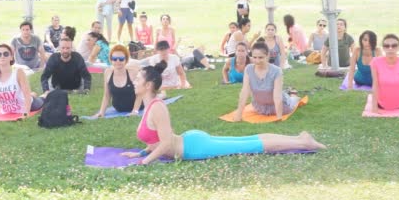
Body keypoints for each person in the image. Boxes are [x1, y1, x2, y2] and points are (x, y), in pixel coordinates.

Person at [119, 61, 325, 164]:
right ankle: (299, 139)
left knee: (251, 143)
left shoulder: (157, 107)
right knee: (248, 140)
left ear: (147, 85)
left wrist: (144, 162)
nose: (134, 81)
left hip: (194, 147)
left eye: (138, 79)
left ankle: (303, 142)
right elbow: (155, 140)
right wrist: (141, 153)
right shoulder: (149, 106)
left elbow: (165, 143)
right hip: (191, 141)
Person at [234, 42, 299, 121]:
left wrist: (279, 117)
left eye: (260, 57)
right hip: (260, 107)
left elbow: (277, 96)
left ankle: (293, 95)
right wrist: (238, 114)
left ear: (267, 56)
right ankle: (289, 92)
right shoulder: (248, 69)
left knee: (293, 100)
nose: (257, 61)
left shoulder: (276, 71)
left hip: (280, 105)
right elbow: (244, 92)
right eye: (254, 57)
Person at [0, 44, 44, 117]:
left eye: (6, 54)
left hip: (31, 105)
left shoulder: (18, 72)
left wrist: (25, 114)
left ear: (11, 57)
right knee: (27, 95)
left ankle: (44, 95)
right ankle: (33, 94)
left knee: (43, 99)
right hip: (9, 109)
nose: (2, 56)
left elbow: (26, 96)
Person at [92, 45, 143, 118]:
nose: (118, 61)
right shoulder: (108, 72)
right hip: (118, 109)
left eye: (121, 59)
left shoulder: (133, 73)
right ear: (111, 60)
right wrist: (101, 112)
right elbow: (107, 95)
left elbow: (140, 95)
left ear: (126, 60)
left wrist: (135, 111)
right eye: (114, 59)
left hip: (136, 107)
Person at [370, 34, 399, 112]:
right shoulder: (375, 62)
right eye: (386, 46)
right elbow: (375, 85)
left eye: (394, 45)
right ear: (383, 48)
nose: (390, 48)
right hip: (381, 105)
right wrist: (374, 107)